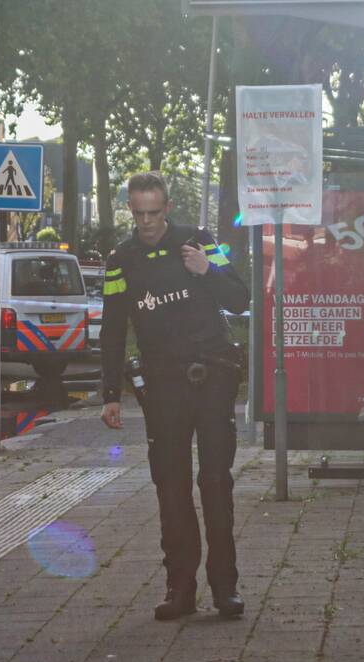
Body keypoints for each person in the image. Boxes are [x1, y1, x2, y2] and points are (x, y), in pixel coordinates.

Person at [99, 171, 250, 620]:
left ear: (167, 208)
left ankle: (225, 588)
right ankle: (179, 588)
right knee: (171, 485)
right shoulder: (120, 260)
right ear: (131, 208)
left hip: (212, 376)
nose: (146, 222)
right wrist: (110, 393)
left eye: (154, 212)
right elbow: (111, 329)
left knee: (216, 481)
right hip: (163, 384)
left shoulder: (200, 241)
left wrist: (206, 271)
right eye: (138, 213)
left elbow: (240, 297)